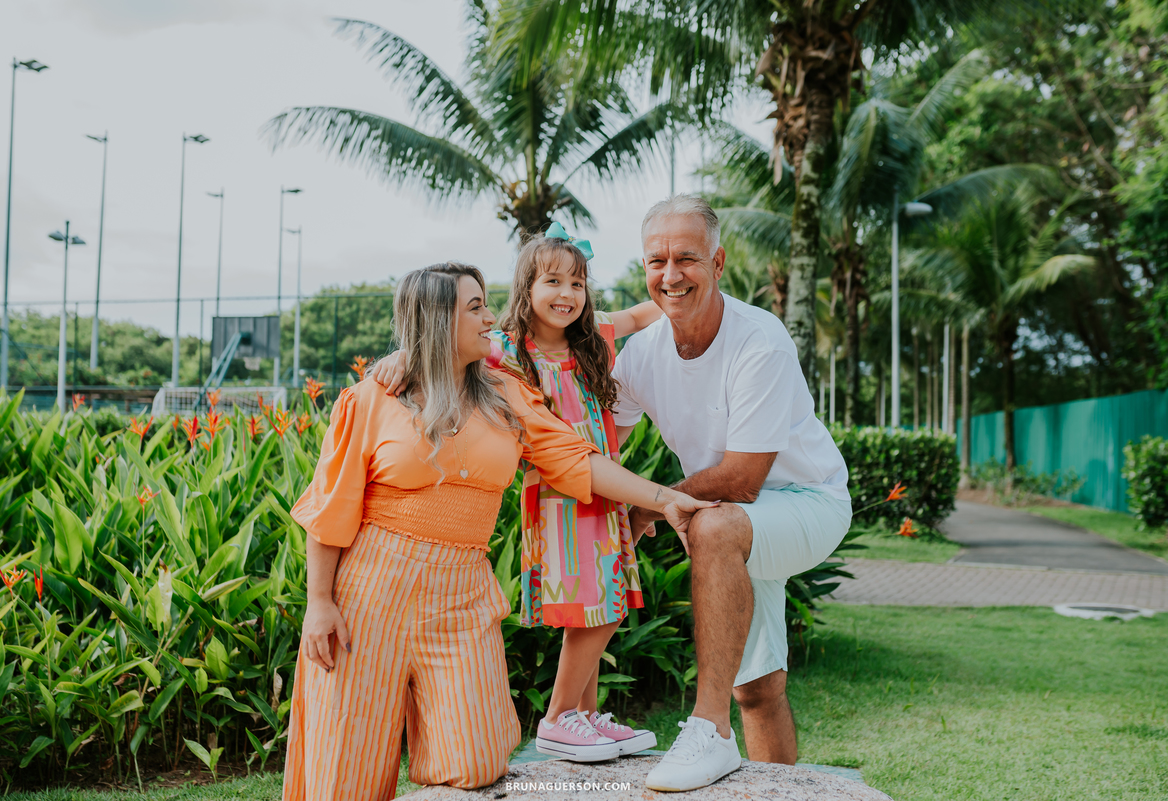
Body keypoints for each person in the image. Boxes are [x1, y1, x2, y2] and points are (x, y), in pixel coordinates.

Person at [286, 262, 713, 801]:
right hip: (369, 592)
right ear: (437, 319)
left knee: (477, 758)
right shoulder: (372, 399)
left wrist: (665, 498)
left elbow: (576, 459)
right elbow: (333, 507)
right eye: (475, 308)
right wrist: (319, 602)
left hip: (462, 592)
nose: (491, 316)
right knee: (344, 772)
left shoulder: (504, 394)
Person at [372, 224, 664, 762]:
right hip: (560, 499)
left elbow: (646, 312)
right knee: (599, 608)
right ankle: (556, 719)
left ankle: (582, 714)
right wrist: (403, 358)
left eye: (577, 284)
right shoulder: (505, 349)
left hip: (605, 492)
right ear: (525, 287)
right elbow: (442, 349)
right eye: (552, 281)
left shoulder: (593, 339)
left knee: (601, 602)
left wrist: (683, 291)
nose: (566, 295)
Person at [612, 196, 852, 792]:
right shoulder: (640, 355)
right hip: (739, 519)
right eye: (658, 261)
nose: (672, 275)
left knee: (712, 525)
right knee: (758, 687)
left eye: (687, 259)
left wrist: (651, 504)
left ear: (718, 263)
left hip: (807, 501)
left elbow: (743, 477)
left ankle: (707, 729)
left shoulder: (759, 340)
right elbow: (604, 450)